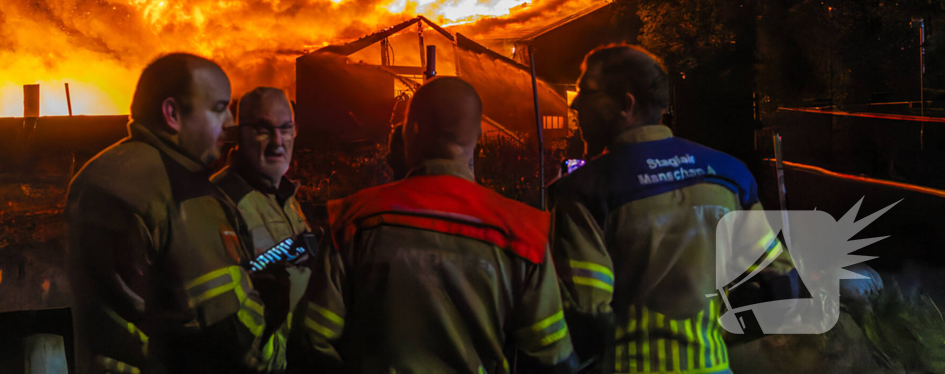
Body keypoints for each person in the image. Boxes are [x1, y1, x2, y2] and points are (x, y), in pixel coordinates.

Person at [291, 77, 579, 373]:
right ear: (478, 136)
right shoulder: (523, 233)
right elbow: (554, 358)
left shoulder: (353, 221)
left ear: (409, 133)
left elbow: (312, 340)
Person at [550, 44, 798, 374]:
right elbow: (782, 288)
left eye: (586, 92)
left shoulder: (584, 191)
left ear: (626, 104)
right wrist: (716, 336)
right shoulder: (730, 175)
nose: (575, 104)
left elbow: (585, 315)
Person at [66, 53, 285, 374]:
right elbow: (232, 336)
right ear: (172, 114)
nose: (229, 122)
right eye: (219, 109)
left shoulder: (96, 173)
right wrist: (278, 334)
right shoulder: (182, 193)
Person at [212, 86, 313, 367]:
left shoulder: (285, 197)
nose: (278, 142)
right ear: (238, 134)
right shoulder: (220, 202)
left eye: (286, 129)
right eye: (263, 130)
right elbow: (222, 315)